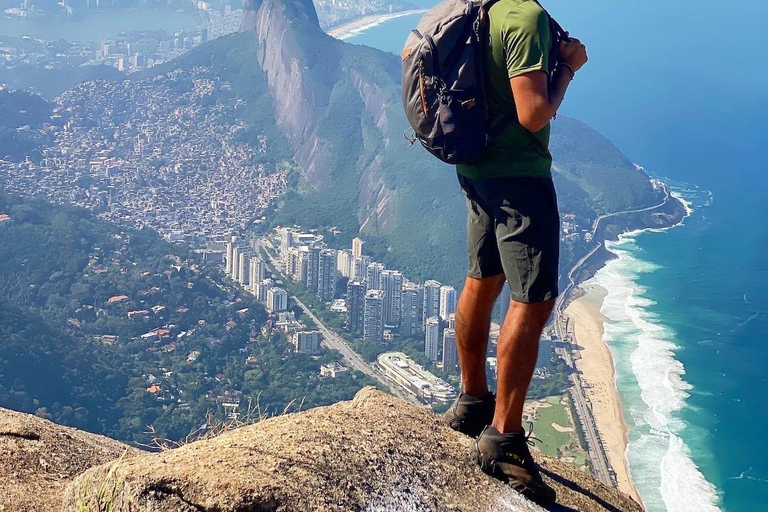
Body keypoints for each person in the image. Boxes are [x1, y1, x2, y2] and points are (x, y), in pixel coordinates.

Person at [442, 0, 588, 504]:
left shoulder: (481, 7)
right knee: (533, 300)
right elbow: (532, 113)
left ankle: (471, 401)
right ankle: (503, 439)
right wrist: (567, 68)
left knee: (480, 281)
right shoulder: (523, 17)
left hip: (478, 168)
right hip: (519, 180)